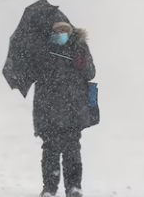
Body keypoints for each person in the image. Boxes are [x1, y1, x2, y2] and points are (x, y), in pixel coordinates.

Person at [33, 20, 96, 197]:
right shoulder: (44, 50)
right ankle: (49, 188)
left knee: (72, 150)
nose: (60, 32)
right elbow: (38, 79)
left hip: (73, 109)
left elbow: (90, 73)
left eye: (64, 30)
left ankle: (74, 187)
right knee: (50, 151)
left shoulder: (79, 48)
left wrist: (80, 61)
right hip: (48, 110)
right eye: (57, 30)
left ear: (70, 32)